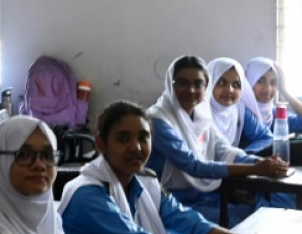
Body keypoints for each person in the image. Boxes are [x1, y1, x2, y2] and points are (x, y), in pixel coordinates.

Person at [146, 55, 288, 226]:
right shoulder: (158, 119)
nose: (191, 90)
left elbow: (224, 149)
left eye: (198, 84)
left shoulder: (201, 115)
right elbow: (192, 165)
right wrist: (255, 168)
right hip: (170, 201)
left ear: (206, 86)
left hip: (204, 194)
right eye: (182, 83)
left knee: (263, 210)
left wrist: (262, 162)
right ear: (170, 84)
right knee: (247, 222)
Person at [59, 100, 232, 234]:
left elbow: (187, 220)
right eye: (124, 138)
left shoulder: (145, 182)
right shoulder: (86, 195)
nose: (137, 148)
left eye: (143, 138)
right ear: (101, 144)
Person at [206, 58, 272, 153]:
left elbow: (265, 136)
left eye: (236, 84)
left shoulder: (239, 110)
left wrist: (245, 155)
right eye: (221, 82)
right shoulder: (198, 111)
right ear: (209, 83)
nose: (229, 90)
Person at [244, 57, 302, 133]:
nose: (268, 89)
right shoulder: (240, 113)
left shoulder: (274, 114)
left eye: (273, 82)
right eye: (261, 81)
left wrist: (284, 91)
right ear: (249, 82)